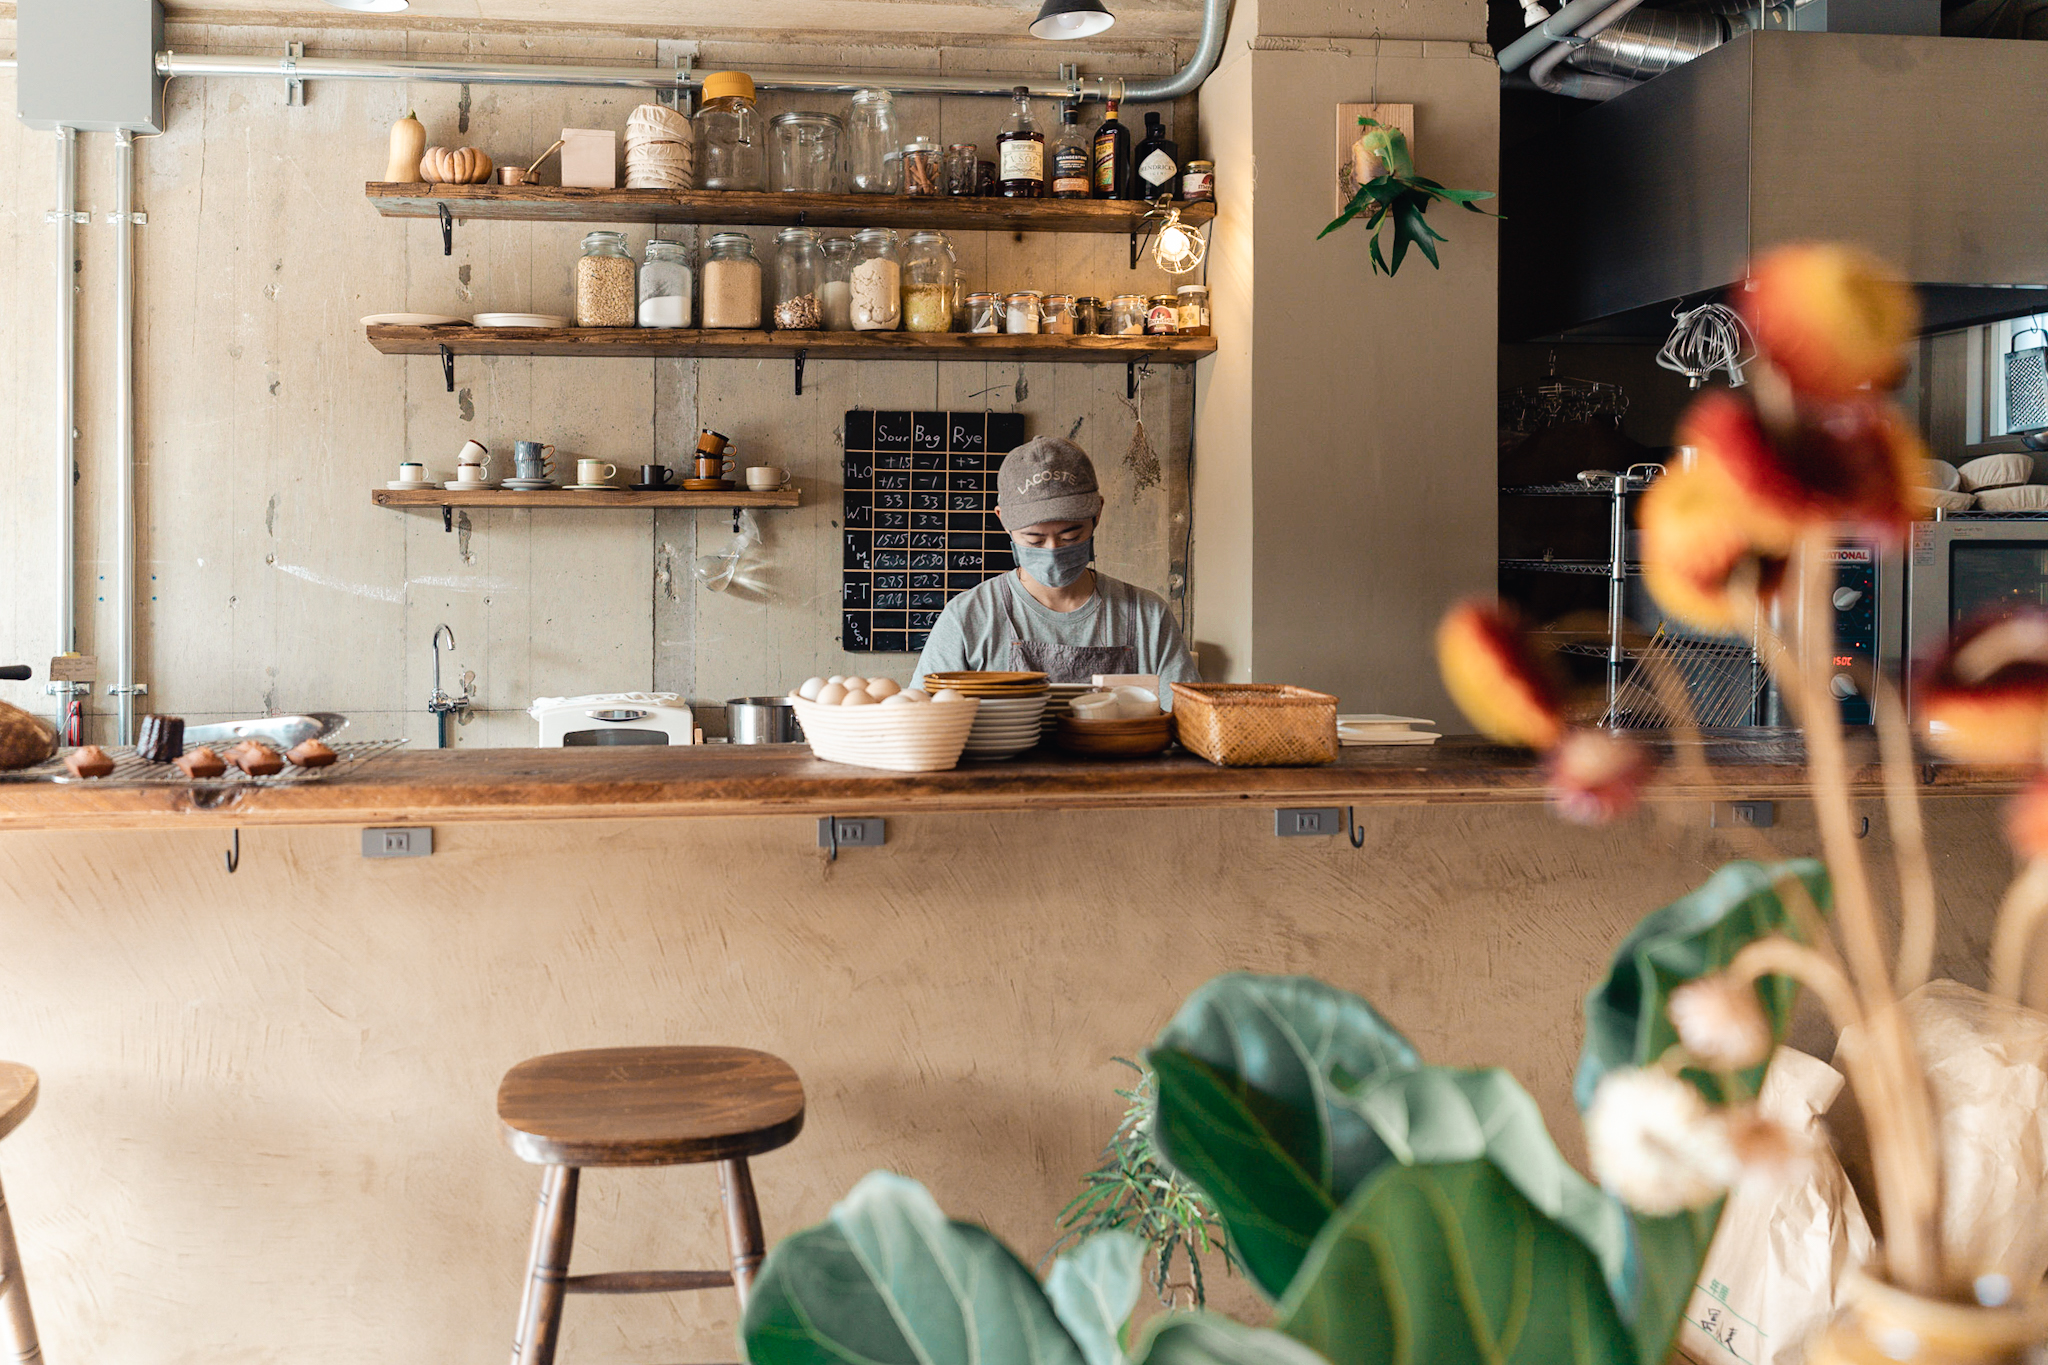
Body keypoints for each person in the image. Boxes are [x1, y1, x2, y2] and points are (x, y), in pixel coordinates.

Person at [912, 436, 1200, 699]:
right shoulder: (967, 618)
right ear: (1003, 521)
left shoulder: (1148, 616)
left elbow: (1189, 722)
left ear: (1097, 513)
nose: (1053, 551)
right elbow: (921, 719)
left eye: (1070, 536)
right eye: (1034, 540)